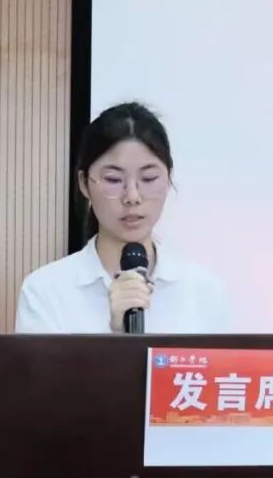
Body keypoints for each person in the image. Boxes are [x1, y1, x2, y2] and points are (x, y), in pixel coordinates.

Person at [15, 102, 231, 334]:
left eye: (148, 178)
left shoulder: (204, 292)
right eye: (113, 180)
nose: (132, 197)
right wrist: (117, 338)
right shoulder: (45, 291)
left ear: (168, 179)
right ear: (84, 184)